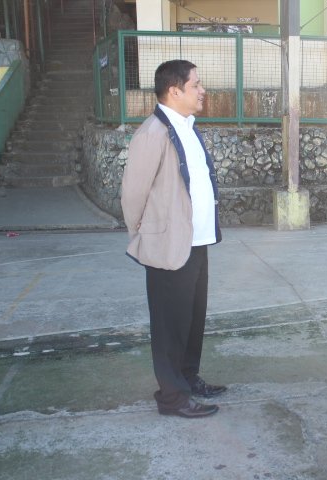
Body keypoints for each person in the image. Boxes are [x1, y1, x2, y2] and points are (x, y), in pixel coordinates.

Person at [121, 60, 225, 419]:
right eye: (196, 84)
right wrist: (144, 234)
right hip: (168, 245)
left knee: (191, 320)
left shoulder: (187, 127)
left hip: (196, 241)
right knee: (169, 326)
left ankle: (188, 379)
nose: (202, 90)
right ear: (174, 90)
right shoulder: (153, 133)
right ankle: (172, 398)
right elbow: (132, 193)